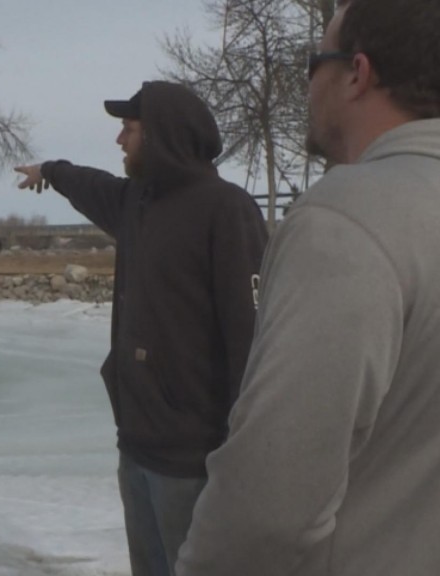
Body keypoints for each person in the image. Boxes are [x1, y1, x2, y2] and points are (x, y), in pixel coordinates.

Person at [176, 0, 440, 575]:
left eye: (312, 60)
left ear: (357, 74)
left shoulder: (347, 219)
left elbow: (269, 501)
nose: (307, 83)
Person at [14, 81, 268, 576]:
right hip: (135, 445)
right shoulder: (135, 202)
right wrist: (49, 171)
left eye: (129, 129)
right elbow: (88, 184)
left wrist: (242, 456)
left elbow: (253, 340)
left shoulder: (226, 210)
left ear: (162, 136)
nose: (119, 141)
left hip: (194, 461)